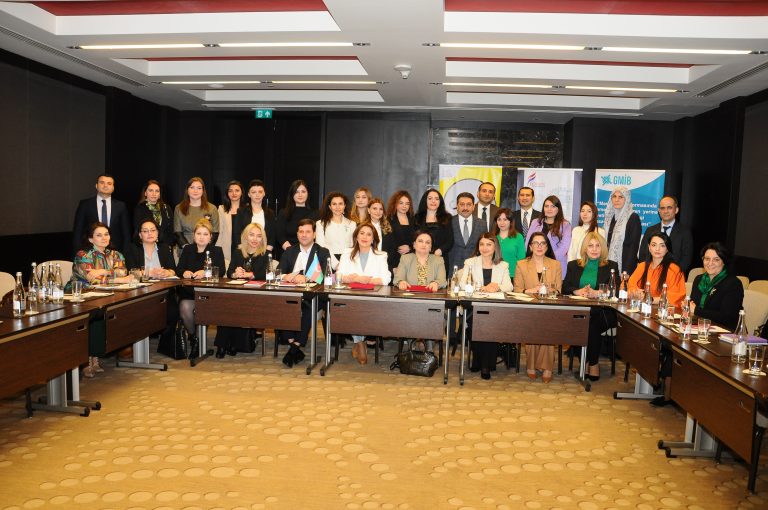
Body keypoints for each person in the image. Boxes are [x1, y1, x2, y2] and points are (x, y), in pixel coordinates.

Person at [72, 222, 134, 377]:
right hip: (83, 295)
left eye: (106, 234)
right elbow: (92, 279)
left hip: (107, 294)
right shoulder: (83, 255)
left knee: (104, 316)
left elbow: (123, 272)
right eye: (99, 235)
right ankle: (86, 361)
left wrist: (102, 271)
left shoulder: (116, 255)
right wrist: (116, 277)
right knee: (91, 318)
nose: (104, 238)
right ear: (90, 239)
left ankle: (96, 359)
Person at [562, 232, 619, 381]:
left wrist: (597, 293)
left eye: (597, 246)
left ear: (603, 248)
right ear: (585, 248)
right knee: (581, 320)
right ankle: (587, 362)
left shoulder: (611, 266)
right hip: (578, 310)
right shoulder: (573, 265)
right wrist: (577, 291)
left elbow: (616, 291)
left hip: (603, 312)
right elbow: (565, 288)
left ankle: (591, 363)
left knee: (591, 322)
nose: (594, 249)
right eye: (590, 246)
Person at [460, 233, 513, 380]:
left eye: (489, 244)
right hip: (474, 307)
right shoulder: (470, 262)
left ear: (495, 247)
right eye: (482, 244)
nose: (485, 248)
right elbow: (463, 284)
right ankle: (479, 360)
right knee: (477, 322)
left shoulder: (503, 265)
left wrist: (497, 286)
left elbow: (509, 287)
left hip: (495, 309)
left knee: (491, 324)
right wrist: (480, 287)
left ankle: (484, 365)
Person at [279, 219, 331, 368]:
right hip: (292, 294)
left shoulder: (322, 252)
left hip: (313, 296)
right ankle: (294, 345)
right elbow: (279, 273)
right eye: (301, 232)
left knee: (309, 308)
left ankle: (294, 348)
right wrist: (289, 276)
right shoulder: (290, 251)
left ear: (314, 234)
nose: (304, 235)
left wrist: (306, 278)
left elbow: (325, 276)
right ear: (297, 234)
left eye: (308, 232)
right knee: (281, 306)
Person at [337, 222, 391, 364]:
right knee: (353, 307)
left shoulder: (381, 255)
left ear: (373, 239)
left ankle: (359, 342)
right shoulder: (347, 253)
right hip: (351, 296)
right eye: (362, 233)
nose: (365, 237)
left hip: (372, 297)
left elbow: (386, 279)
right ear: (356, 236)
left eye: (368, 234)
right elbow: (339, 276)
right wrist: (351, 278)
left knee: (364, 308)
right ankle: (360, 343)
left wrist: (365, 280)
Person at [215, 223, 270, 358]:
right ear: (245, 236)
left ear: (262, 239)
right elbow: (229, 273)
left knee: (239, 307)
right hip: (237, 292)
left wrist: (251, 275)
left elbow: (267, 275)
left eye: (259, 236)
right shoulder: (238, 252)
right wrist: (235, 273)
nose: (255, 239)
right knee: (225, 307)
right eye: (251, 235)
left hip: (256, 295)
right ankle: (222, 345)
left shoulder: (265, 254)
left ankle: (232, 344)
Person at [514, 232, 562, 383]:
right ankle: (531, 365)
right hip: (528, 307)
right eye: (536, 243)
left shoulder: (555, 264)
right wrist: (530, 290)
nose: (539, 246)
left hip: (550, 308)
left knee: (548, 325)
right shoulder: (521, 264)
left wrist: (549, 290)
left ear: (547, 247)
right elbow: (516, 289)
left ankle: (547, 367)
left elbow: (559, 290)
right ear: (530, 246)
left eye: (543, 243)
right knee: (533, 323)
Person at [177, 218, 225, 359]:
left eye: (205, 234)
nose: (201, 237)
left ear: (210, 237)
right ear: (194, 235)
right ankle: (194, 338)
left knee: (205, 306)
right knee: (185, 307)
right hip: (189, 293)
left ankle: (197, 342)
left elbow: (221, 271)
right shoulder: (188, 249)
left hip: (208, 294)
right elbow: (178, 269)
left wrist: (206, 272)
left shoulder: (216, 251)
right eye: (198, 233)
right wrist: (184, 272)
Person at [690, 242, 744, 330]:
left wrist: (696, 310)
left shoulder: (733, 284)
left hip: (726, 332)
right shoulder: (699, 279)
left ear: (724, 262)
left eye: (716, 260)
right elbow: (692, 306)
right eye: (707, 259)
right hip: (700, 327)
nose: (710, 263)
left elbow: (726, 317)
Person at [73, 174, 131, 254]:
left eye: (109, 183)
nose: (105, 185)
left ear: (113, 188)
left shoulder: (121, 206)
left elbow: (126, 233)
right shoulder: (85, 204)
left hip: (115, 251)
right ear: (96, 186)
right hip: (90, 251)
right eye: (102, 182)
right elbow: (78, 230)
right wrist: (78, 251)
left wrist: (126, 253)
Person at [638, 196, 694, 275]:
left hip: (675, 276)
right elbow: (643, 255)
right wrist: (651, 272)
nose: (665, 211)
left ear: (676, 210)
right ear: (659, 211)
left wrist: (672, 274)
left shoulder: (685, 232)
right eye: (662, 208)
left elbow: (686, 259)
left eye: (669, 208)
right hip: (651, 275)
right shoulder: (650, 230)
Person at [628, 231, 686, 306]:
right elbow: (631, 286)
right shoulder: (642, 266)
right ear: (649, 247)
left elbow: (676, 297)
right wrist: (636, 293)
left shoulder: (674, 270)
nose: (657, 249)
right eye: (654, 245)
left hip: (663, 310)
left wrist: (650, 299)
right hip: (641, 307)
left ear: (667, 249)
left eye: (662, 246)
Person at [525, 195, 572, 276]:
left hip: (556, 264)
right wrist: (537, 259)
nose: (549, 209)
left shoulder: (565, 225)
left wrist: (547, 260)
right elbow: (528, 243)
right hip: (535, 264)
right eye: (546, 206)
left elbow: (564, 247)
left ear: (558, 209)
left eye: (553, 206)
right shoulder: (535, 222)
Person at [274, 179, 319, 257]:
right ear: (292, 194)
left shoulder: (316, 214)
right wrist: (291, 251)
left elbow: (316, 237)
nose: (300, 195)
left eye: (303, 191)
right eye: (296, 192)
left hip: (309, 254)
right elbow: (280, 235)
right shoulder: (283, 213)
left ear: (308, 193)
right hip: (288, 253)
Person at [604, 186, 642, 275]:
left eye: (620, 197)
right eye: (614, 196)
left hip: (625, 267)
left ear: (626, 199)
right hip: (609, 265)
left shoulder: (633, 217)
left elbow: (633, 247)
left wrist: (626, 271)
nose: (616, 200)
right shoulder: (610, 218)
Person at [232, 179, 276, 255]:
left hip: (264, 252)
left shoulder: (270, 213)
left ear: (264, 193)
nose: (257, 195)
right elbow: (236, 233)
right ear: (249, 194)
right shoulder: (241, 212)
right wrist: (243, 252)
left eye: (260, 192)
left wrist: (266, 252)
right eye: (253, 192)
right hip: (244, 252)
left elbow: (272, 235)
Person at [414, 188, 453, 274]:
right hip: (420, 259)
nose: (433, 201)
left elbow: (450, 241)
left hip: (440, 259)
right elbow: (413, 240)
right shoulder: (417, 218)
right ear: (425, 201)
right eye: (430, 198)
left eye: (436, 199)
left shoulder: (447, 218)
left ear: (440, 202)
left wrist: (439, 251)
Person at [174, 177, 219, 249]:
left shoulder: (212, 208)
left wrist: (204, 248)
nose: (195, 191)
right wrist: (188, 249)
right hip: (185, 250)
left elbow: (215, 233)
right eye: (192, 187)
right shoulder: (178, 208)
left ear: (203, 191)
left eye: (199, 188)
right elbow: (177, 232)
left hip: (206, 249)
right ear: (187, 190)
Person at [315, 191, 355, 270]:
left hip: (347, 262)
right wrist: (336, 265)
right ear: (330, 207)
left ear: (344, 206)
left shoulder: (352, 224)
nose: (337, 207)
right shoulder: (320, 224)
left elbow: (353, 245)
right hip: (327, 261)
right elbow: (321, 246)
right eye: (334, 204)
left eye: (340, 204)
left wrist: (344, 263)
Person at [448, 192, 487, 272]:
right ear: (457, 206)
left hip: (475, 269)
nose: (465, 208)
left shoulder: (482, 224)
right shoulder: (448, 222)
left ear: (473, 206)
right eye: (462, 204)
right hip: (452, 268)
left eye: (469, 205)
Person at [133, 179, 175, 247]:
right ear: (145, 193)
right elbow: (138, 230)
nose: (154, 194)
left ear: (159, 194)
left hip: (165, 246)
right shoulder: (140, 209)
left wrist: (167, 245)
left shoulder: (166, 208)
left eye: (157, 191)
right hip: (147, 246)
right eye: (151, 190)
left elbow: (171, 229)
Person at [385, 190, 416, 273]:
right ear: (395, 203)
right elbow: (387, 243)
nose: (404, 206)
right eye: (401, 203)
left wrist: (410, 247)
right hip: (394, 260)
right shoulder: (388, 220)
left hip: (412, 260)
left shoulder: (414, 219)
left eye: (407, 203)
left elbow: (418, 239)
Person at [215, 180, 244, 268]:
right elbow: (220, 231)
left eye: (237, 190)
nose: (234, 193)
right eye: (230, 191)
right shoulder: (221, 209)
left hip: (243, 246)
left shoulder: (247, 209)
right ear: (227, 193)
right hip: (226, 246)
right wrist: (217, 250)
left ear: (242, 192)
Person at [492, 208, 526, 278]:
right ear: (496, 222)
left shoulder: (518, 237)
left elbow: (522, 259)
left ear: (510, 221)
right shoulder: (492, 237)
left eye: (505, 219)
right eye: (499, 219)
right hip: (495, 275)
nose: (502, 223)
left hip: (513, 275)